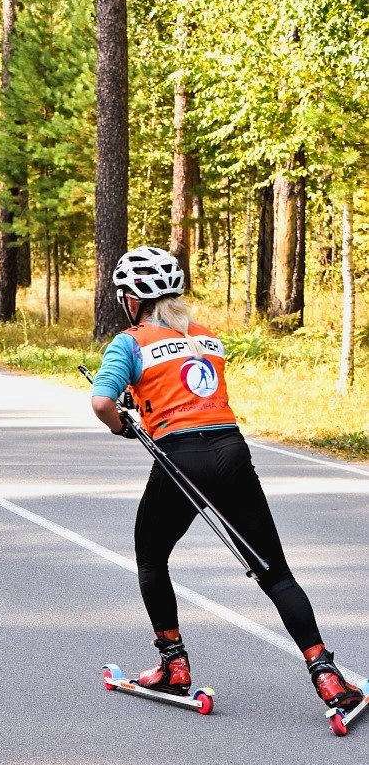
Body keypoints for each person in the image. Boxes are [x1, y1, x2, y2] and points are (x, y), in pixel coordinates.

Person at [90, 245, 362, 715]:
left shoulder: (129, 341)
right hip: (232, 451)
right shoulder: (207, 337)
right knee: (274, 571)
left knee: (151, 558)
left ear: (132, 297)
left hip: (182, 458)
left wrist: (122, 424)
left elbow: (101, 402)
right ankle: (327, 675)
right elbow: (188, 392)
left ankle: (174, 667)